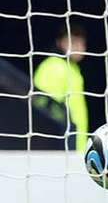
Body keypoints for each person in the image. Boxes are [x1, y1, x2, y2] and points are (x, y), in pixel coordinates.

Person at [33, 24, 89, 152]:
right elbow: (45, 111)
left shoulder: (73, 68)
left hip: (77, 146)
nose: (78, 47)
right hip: (59, 147)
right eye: (73, 42)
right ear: (60, 42)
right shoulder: (54, 66)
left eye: (81, 42)